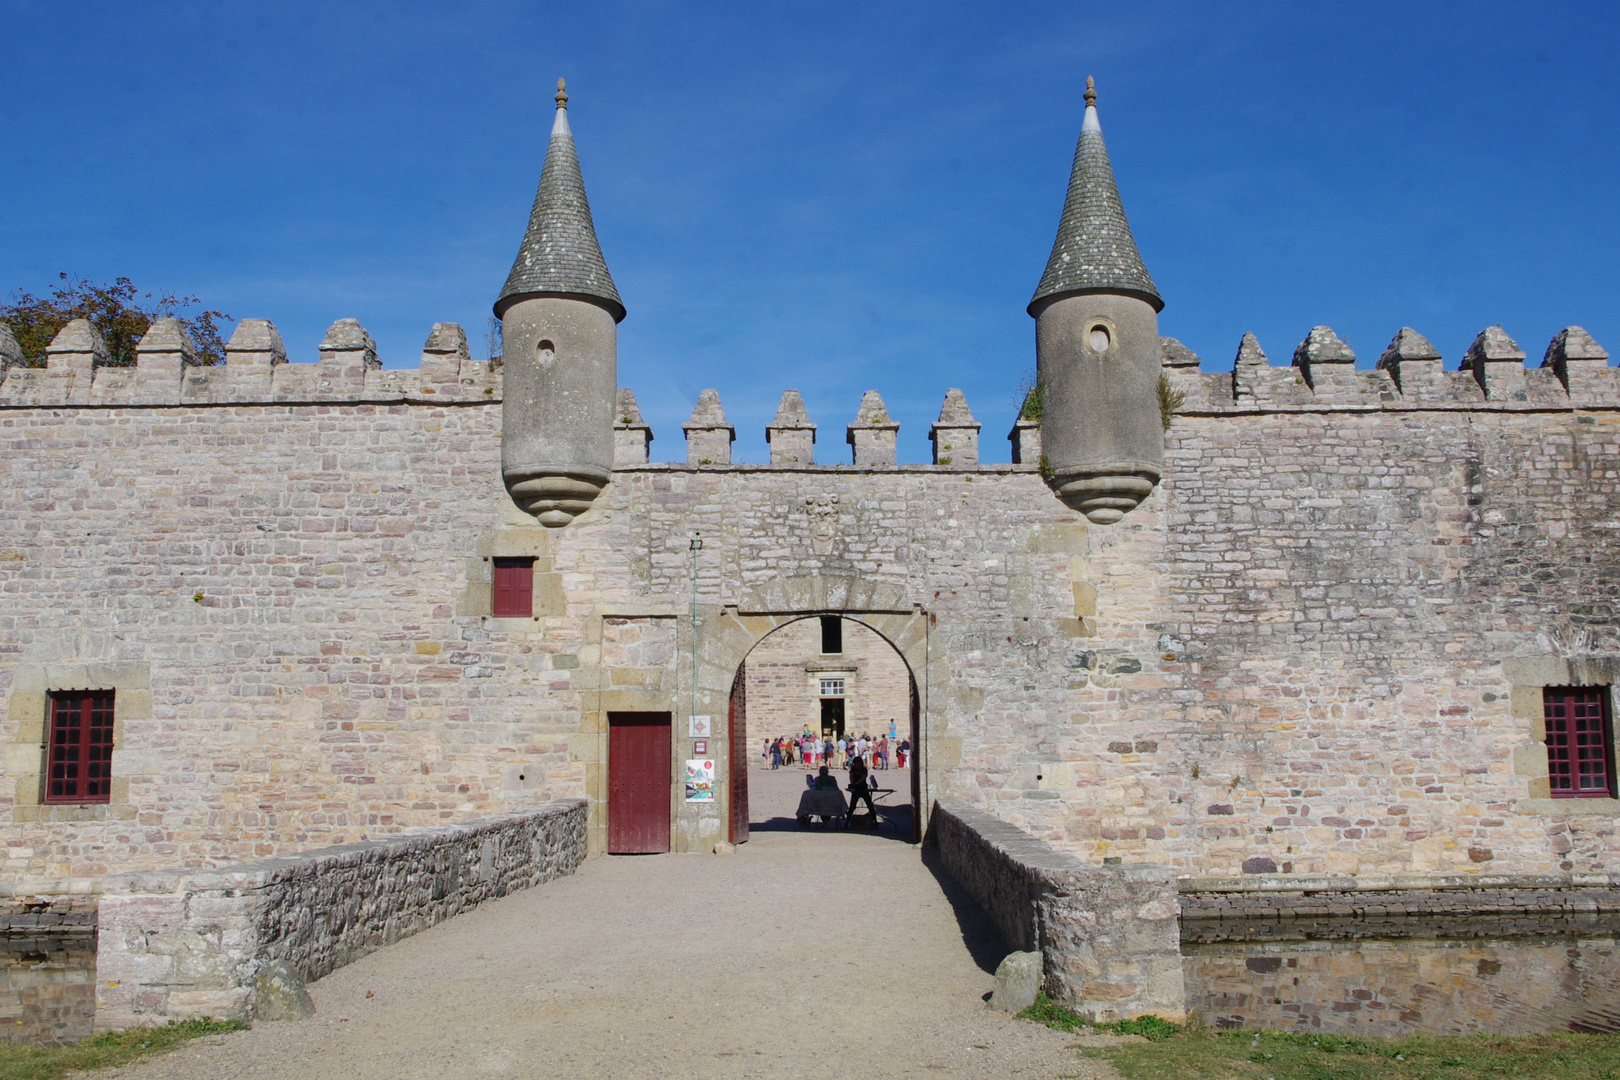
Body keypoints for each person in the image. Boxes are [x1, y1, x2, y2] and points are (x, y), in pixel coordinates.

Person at [847, 754, 876, 825]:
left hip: (863, 788)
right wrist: (852, 783)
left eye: (858, 763)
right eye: (855, 763)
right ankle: (847, 820)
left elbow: (863, 777)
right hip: (856, 789)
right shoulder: (853, 768)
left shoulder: (864, 769)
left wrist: (856, 783)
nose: (857, 765)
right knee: (852, 806)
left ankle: (874, 820)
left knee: (870, 805)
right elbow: (851, 776)